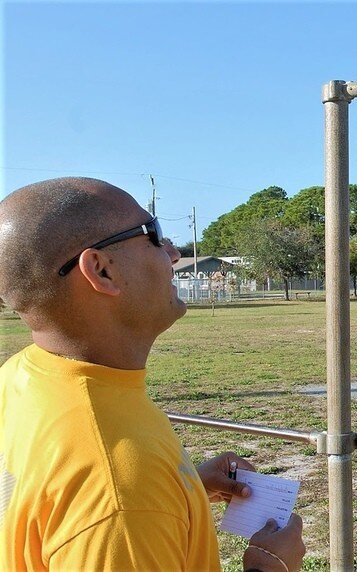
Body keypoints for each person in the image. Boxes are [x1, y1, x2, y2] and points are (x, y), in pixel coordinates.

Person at [0, 177, 305, 571]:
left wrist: (180, 489)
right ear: (101, 270)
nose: (174, 253)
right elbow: (110, 500)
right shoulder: (119, 487)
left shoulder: (22, 378)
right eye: (154, 235)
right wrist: (269, 567)